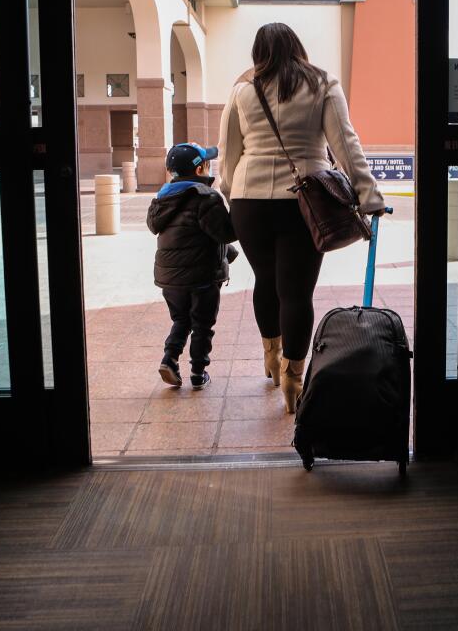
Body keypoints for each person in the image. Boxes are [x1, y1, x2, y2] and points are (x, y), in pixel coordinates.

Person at [217, 22, 385, 414]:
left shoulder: (242, 90)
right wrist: (367, 193)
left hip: (250, 200)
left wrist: (230, 193)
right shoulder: (323, 83)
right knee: (296, 292)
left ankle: (271, 357)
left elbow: (228, 152)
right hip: (305, 200)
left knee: (265, 280)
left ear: (259, 52)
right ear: (297, 47)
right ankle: (294, 378)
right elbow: (345, 143)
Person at [146, 142, 239, 390]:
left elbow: (185, 233)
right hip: (202, 276)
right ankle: (198, 373)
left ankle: (170, 358)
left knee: (181, 320)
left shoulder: (162, 198)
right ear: (200, 170)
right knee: (202, 324)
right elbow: (224, 232)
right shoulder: (205, 197)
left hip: (170, 276)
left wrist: (228, 253)